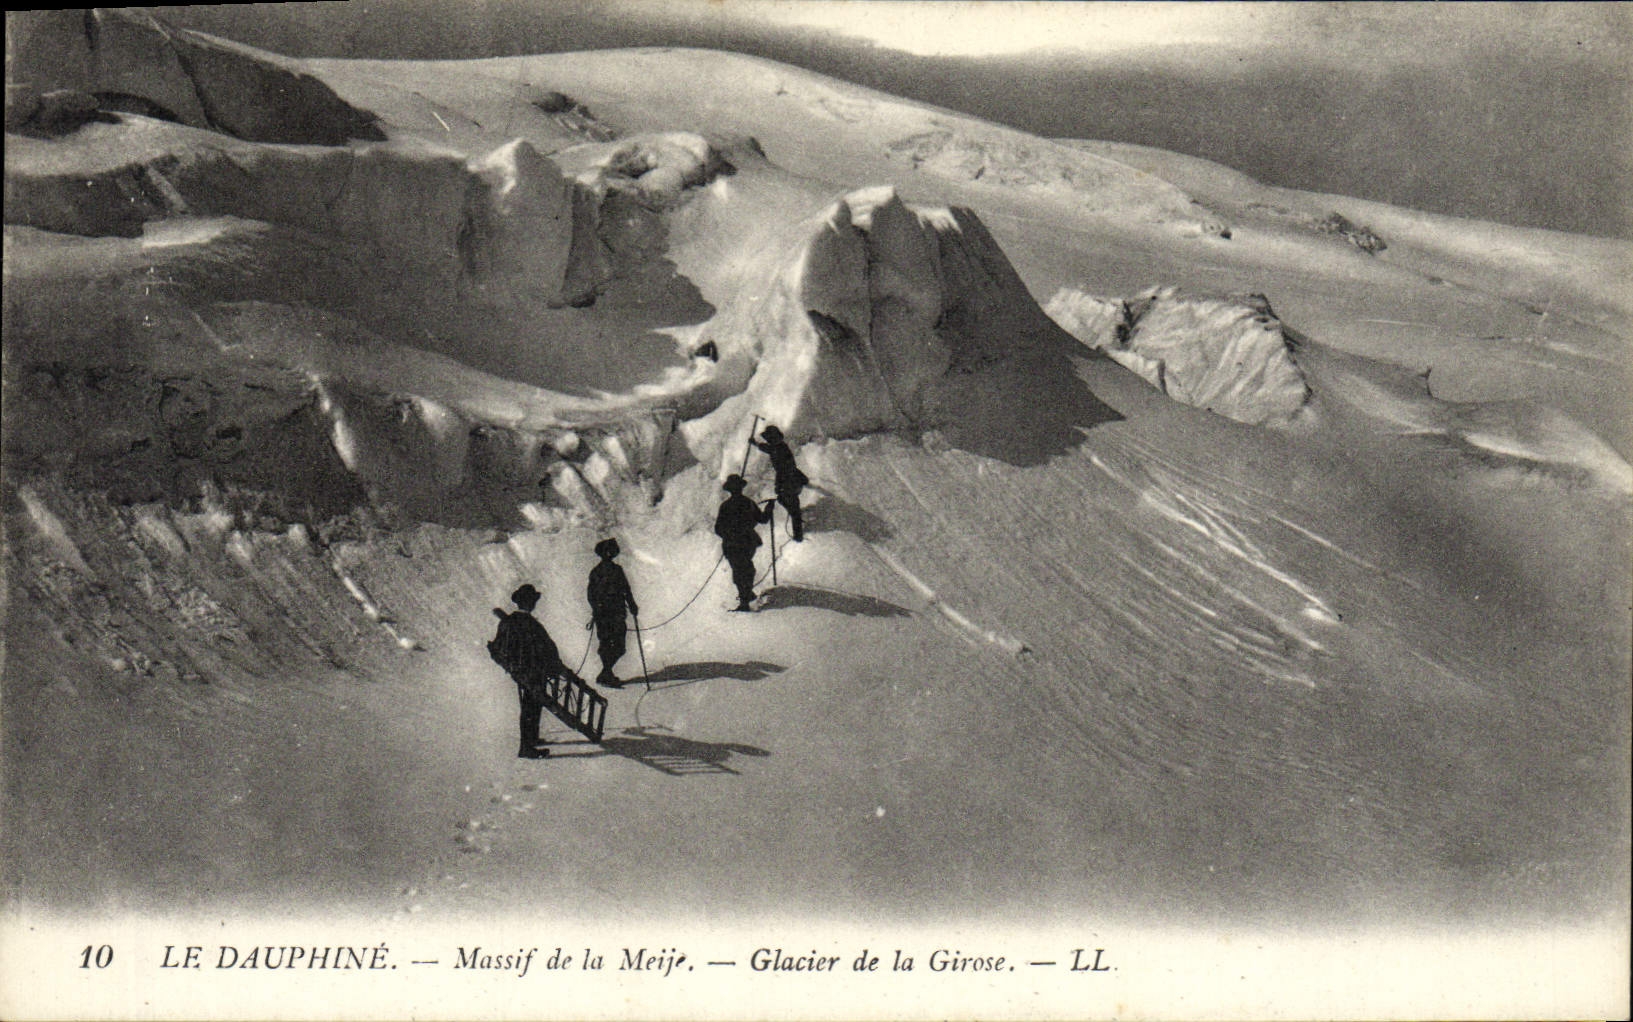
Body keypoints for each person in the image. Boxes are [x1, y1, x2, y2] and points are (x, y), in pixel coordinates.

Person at [487, 584, 564, 759]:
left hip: (523, 672)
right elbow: (546, 647)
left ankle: (532, 739)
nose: (534, 604)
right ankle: (526, 747)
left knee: (532, 705)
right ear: (529, 603)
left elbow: (498, 647)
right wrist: (554, 665)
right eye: (532, 601)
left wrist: (512, 667)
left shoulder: (510, 622)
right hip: (532, 672)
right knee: (531, 707)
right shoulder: (530, 623)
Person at [714, 473, 773, 611]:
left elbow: (718, 528)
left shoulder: (726, 506)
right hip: (747, 543)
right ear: (741, 488)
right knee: (746, 570)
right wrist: (769, 509)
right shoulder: (749, 503)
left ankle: (745, 599)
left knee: (740, 571)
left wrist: (728, 535)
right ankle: (745, 598)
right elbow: (763, 519)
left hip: (732, 545)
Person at [586, 538, 639, 687]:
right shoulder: (597, 572)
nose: (611, 554)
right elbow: (591, 595)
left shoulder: (615, 570)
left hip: (614, 614)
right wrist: (597, 608)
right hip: (606, 614)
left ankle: (606, 673)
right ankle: (606, 674)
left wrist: (632, 605)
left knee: (619, 647)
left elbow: (626, 589)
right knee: (608, 645)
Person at [753, 424, 808, 541]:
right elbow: (769, 449)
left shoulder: (779, 448)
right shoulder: (779, 447)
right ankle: (797, 522)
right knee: (789, 503)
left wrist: (780, 485)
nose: (769, 441)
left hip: (789, 481)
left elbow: (785, 468)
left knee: (791, 505)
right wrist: (757, 444)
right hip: (789, 480)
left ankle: (798, 535)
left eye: (770, 439)